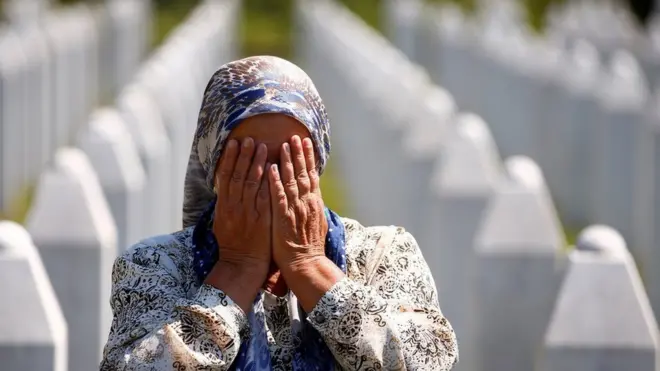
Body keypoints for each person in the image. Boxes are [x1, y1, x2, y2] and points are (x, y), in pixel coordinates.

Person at [100, 56, 458, 370]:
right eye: (249, 161)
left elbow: (428, 361)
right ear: (214, 167)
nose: (272, 180)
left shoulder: (384, 254)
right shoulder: (153, 264)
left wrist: (310, 267)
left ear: (316, 165)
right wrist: (235, 273)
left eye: (289, 161)